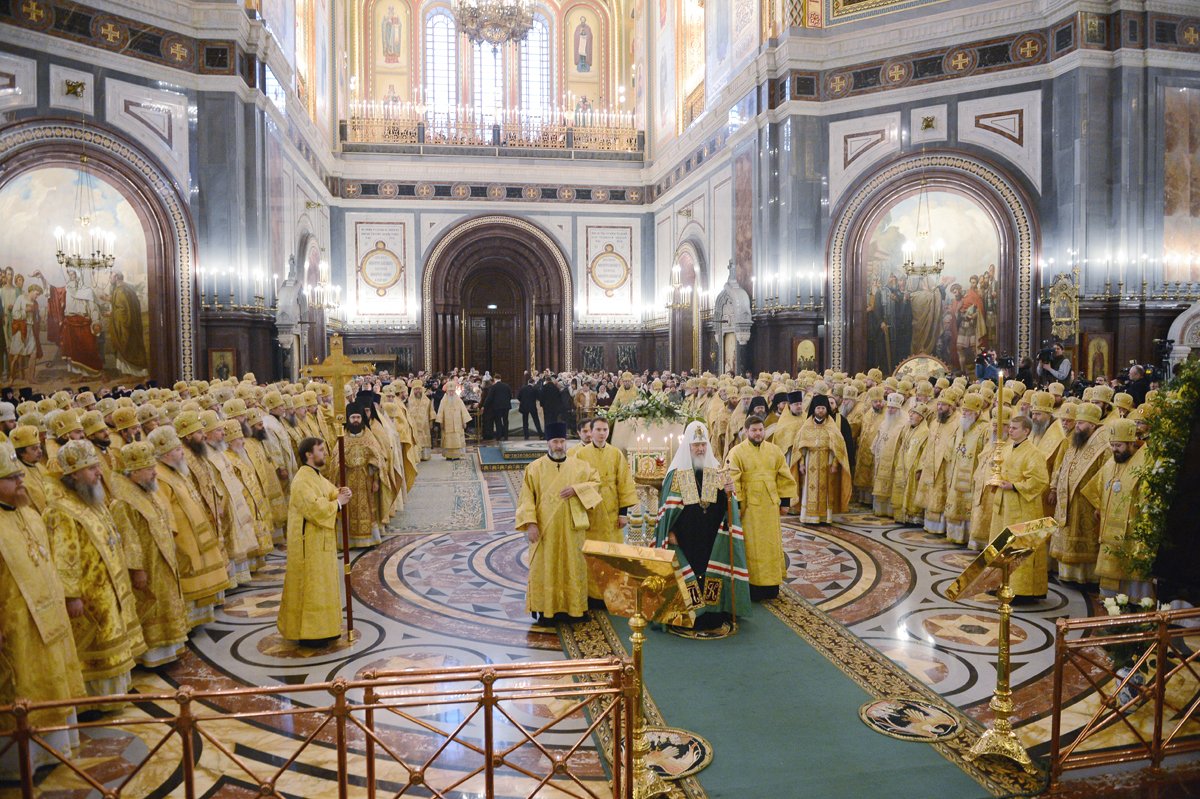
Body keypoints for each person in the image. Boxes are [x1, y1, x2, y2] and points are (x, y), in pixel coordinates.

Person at [0, 441, 84, 776]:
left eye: (20, 474)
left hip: (50, 622)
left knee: (53, 679)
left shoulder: (30, 514)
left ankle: (54, 748)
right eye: (11, 476)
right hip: (15, 630)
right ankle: (19, 762)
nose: (21, 480)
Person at [44, 439, 146, 700]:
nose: (99, 472)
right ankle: (101, 698)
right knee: (99, 641)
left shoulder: (93, 498)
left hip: (111, 583)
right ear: (74, 474)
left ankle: (118, 689)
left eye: (97, 467)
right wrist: (71, 595)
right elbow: (64, 556)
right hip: (90, 593)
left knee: (115, 633)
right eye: (91, 469)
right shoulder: (61, 510)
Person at [655, 422, 748, 634]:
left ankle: (713, 613)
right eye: (696, 444)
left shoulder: (716, 471)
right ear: (688, 445)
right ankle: (690, 615)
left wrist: (729, 493)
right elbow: (667, 511)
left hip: (711, 537)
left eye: (703, 444)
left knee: (709, 573)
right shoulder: (677, 474)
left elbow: (727, 508)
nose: (700, 449)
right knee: (690, 574)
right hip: (684, 538)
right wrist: (669, 533)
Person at [108, 440, 188, 667]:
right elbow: (128, 537)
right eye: (149, 468)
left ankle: (171, 647)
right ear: (133, 472)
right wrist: (137, 569)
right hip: (147, 565)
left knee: (167, 601)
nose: (155, 472)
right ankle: (154, 654)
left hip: (162, 559)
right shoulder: (122, 501)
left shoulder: (146, 490)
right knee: (153, 605)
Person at [516, 421, 602, 625]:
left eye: (562, 441)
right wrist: (531, 524)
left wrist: (577, 489)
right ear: (548, 443)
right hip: (546, 530)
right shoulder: (534, 468)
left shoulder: (580, 467)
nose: (559, 446)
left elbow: (596, 484)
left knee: (574, 566)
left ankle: (575, 610)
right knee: (546, 568)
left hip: (572, 528)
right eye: (555, 441)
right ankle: (547, 610)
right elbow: (526, 499)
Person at [148, 426, 229, 628]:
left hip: (195, 533)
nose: (182, 452)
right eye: (177, 450)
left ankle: (202, 615)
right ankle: (191, 621)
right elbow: (164, 510)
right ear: (166, 454)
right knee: (191, 578)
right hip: (183, 538)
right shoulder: (160, 476)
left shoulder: (175, 470)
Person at [277, 437, 353, 646]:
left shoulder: (315, 476)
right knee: (311, 587)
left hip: (320, 543)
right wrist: (338, 503)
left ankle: (326, 628)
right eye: (320, 450)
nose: (324, 453)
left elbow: (329, 491)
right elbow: (314, 508)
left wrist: (341, 493)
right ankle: (309, 633)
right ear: (309, 455)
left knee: (323, 585)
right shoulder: (302, 480)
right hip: (307, 546)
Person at [726, 415, 796, 601]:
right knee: (752, 545)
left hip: (770, 506)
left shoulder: (774, 451)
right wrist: (738, 505)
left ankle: (771, 585)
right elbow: (733, 479)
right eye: (754, 430)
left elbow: (784, 476)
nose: (758, 433)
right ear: (746, 431)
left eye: (760, 430)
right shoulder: (737, 452)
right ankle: (752, 586)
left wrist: (786, 502)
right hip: (749, 508)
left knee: (771, 544)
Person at [570, 416, 637, 604]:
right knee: (592, 554)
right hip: (591, 512)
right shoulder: (580, 455)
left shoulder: (616, 454)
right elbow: (575, 483)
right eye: (598, 430)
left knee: (612, 554)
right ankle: (592, 595)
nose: (601, 433)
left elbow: (624, 483)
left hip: (612, 511)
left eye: (605, 430)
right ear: (590, 432)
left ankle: (611, 593)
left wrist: (623, 514)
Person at [987, 415, 1050, 602]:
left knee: (1018, 546)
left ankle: (1021, 590)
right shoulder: (1005, 449)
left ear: (1026, 431)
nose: (1010, 430)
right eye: (1010, 427)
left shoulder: (1034, 453)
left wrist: (1014, 486)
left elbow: (1040, 481)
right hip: (1004, 506)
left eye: (1014, 428)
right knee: (1000, 544)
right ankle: (999, 582)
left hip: (1023, 508)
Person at [1048, 403, 1109, 585]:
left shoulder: (1103, 448)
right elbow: (1062, 467)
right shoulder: (1075, 442)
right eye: (1078, 423)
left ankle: (1084, 577)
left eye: (1081, 423)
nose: (1077, 427)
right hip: (1066, 500)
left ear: (1092, 425)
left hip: (1085, 504)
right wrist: (1055, 487)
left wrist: (1099, 503)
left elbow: (1104, 477)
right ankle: (1066, 575)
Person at [1092, 419, 1151, 599]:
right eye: (1112, 445)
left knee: (1131, 569)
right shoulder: (1112, 462)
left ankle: (1135, 601)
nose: (1114, 449)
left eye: (1118, 445)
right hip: (1108, 527)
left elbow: (1148, 497)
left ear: (1131, 443)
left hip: (1132, 527)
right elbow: (1099, 486)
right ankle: (1111, 602)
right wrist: (1098, 506)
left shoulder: (1145, 462)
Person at [328, 403, 387, 548]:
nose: (355, 420)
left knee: (366, 509)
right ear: (348, 419)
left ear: (362, 418)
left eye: (358, 417)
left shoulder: (369, 436)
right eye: (353, 417)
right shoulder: (343, 438)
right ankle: (347, 542)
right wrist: (337, 480)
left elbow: (377, 460)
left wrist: (375, 481)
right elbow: (335, 460)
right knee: (347, 510)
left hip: (365, 479)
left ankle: (369, 540)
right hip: (347, 479)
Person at [791, 394, 851, 524]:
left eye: (823, 408)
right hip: (810, 460)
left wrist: (835, 464)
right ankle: (809, 517)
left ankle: (825, 517)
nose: (820, 411)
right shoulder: (806, 425)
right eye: (818, 408)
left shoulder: (832, 426)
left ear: (826, 409)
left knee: (826, 490)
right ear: (814, 409)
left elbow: (839, 447)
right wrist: (801, 464)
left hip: (827, 461)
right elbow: (800, 447)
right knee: (809, 490)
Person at [944, 393, 988, 544]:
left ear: (977, 412)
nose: (965, 414)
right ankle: (955, 535)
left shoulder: (984, 429)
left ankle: (968, 537)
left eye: (968, 412)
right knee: (955, 503)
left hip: (971, 475)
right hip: (957, 471)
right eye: (964, 411)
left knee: (969, 506)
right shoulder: (961, 425)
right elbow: (953, 444)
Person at [436, 381, 472, 460]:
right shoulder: (443, 400)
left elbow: (463, 411)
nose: (451, 392)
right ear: (447, 391)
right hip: (447, 424)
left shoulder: (458, 400)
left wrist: (464, 422)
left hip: (457, 424)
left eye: (453, 391)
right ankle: (448, 455)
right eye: (450, 391)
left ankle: (457, 455)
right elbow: (440, 411)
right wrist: (441, 422)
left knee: (457, 439)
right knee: (448, 440)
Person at [407, 380, 436, 460]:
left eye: (419, 389)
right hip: (413, 425)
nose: (418, 391)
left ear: (422, 389)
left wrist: (431, 422)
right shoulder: (409, 401)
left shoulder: (427, 401)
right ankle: (416, 456)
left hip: (424, 425)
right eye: (416, 389)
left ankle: (425, 456)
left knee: (424, 439)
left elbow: (431, 411)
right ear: (413, 390)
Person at [485, 374, 513, 440]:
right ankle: (506, 436)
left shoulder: (494, 387)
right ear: (500, 378)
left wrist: (485, 405)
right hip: (506, 406)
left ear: (494, 379)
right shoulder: (507, 386)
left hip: (497, 407)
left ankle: (499, 436)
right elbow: (510, 396)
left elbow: (490, 397)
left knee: (498, 421)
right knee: (506, 420)